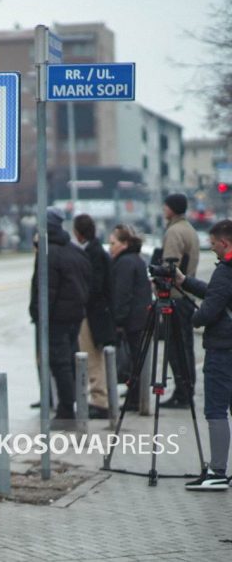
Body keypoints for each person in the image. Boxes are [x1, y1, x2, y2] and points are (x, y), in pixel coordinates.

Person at [175, 219, 232, 490]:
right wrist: (185, 282)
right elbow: (217, 294)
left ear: (225, 243)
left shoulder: (226, 271)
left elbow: (210, 309)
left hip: (223, 350)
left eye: (213, 243)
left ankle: (217, 472)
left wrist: (194, 318)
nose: (212, 249)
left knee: (216, 410)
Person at [30, 207, 92, 423]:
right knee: (71, 360)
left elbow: (47, 290)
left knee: (60, 363)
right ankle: (73, 403)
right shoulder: (74, 251)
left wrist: (40, 316)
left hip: (55, 319)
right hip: (74, 316)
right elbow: (86, 282)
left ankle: (67, 409)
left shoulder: (48, 253)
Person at [159, 192, 201, 408]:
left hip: (175, 295)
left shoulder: (175, 231)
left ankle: (182, 393)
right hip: (187, 294)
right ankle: (187, 390)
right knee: (185, 345)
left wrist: (160, 276)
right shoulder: (190, 229)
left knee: (176, 347)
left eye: (165, 206)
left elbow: (170, 266)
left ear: (171, 208)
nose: (163, 209)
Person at [73, 214, 115, 419]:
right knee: (92, 357)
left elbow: (95, 286)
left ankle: (100, 401)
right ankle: (99, 398)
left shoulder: (93, 253)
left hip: (93, 314)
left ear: (78, 233)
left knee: (92, 357)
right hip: (97, 312)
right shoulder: (95, 250)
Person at [109, 224, 153, 411]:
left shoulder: (125, 262)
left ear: (125, 243)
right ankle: (135, 394)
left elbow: (122, 294)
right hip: (140, 317)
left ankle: (135, 398)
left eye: (113, 243)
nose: (110, 247)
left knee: (133, 359)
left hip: (132, 320)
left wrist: (118, 320)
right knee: (136, 358)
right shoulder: (136, 259)